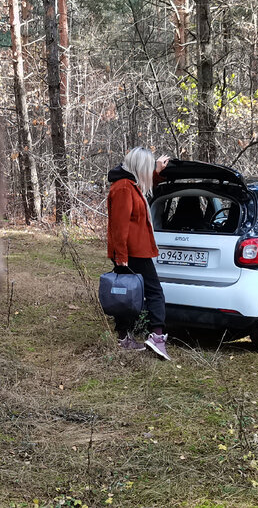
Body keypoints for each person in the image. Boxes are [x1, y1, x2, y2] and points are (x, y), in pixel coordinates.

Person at [106, 147, 171, 360]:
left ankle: (124, 337)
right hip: (133, 253)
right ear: (138, 168)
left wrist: (158, 171)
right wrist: (122, 257)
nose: (148, 172)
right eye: (147, 168)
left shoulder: (129, 184)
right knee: (154, 292)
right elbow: (120, 226)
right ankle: (157, 336)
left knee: (125, 295)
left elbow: (145, 183)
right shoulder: (124, 188)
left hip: (131, 251)